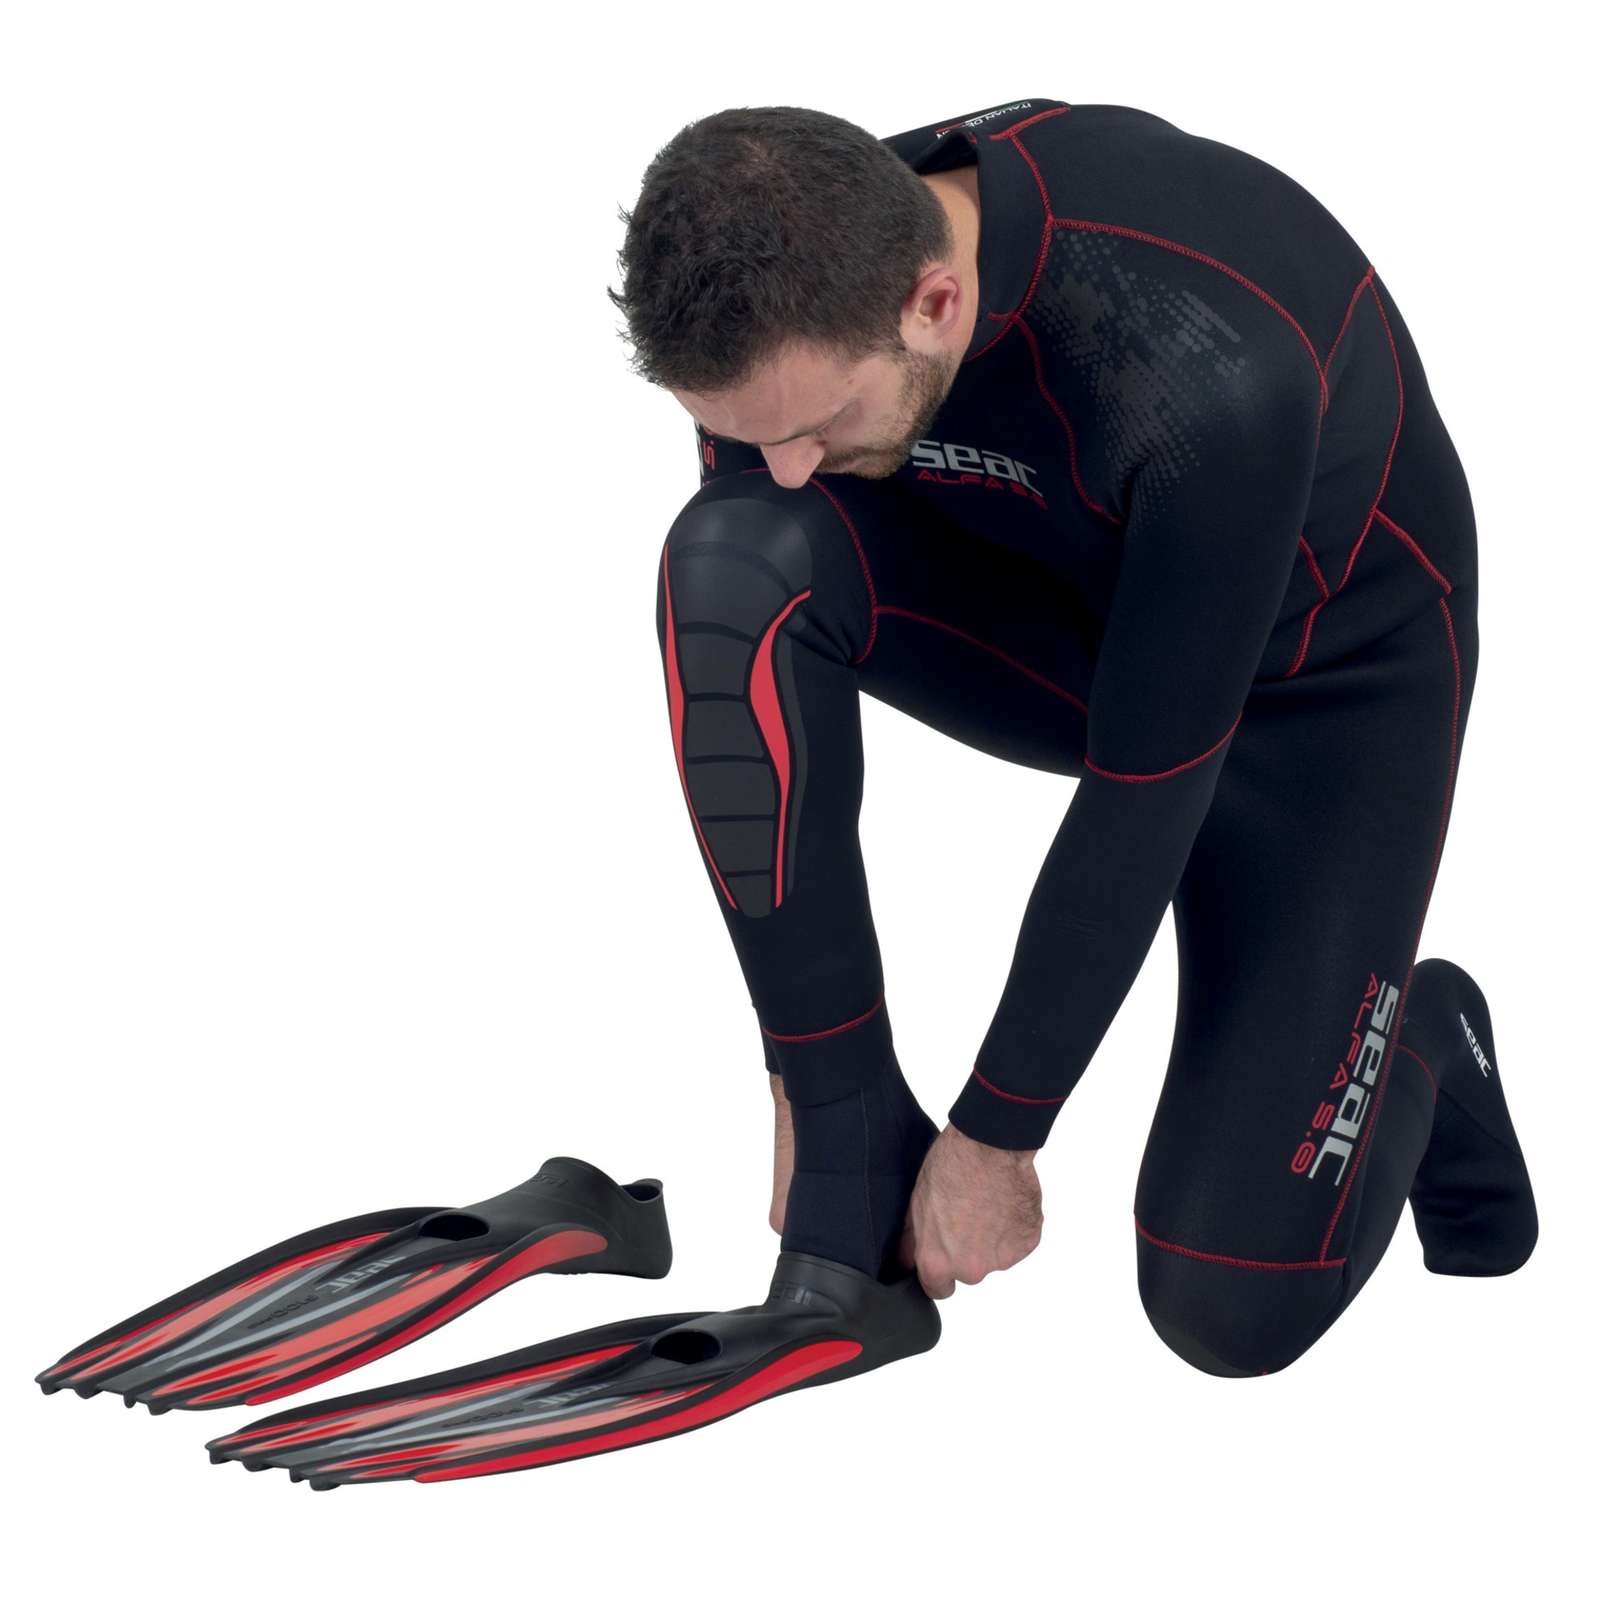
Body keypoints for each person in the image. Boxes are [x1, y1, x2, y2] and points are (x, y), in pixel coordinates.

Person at [611, 97, 1537, 1375]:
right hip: (1074, 613)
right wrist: (807, 1085)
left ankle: (1425, 1040)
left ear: (933, 304)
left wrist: (996, 1133)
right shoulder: (789, 276)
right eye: (744, 428)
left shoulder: (1205, 355)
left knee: (1230, 1302)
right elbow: (766, 562)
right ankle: (850, 1118)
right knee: (729, 560)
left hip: (1326, 685)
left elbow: (1145, 790)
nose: (786, 464)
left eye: (815, 425)